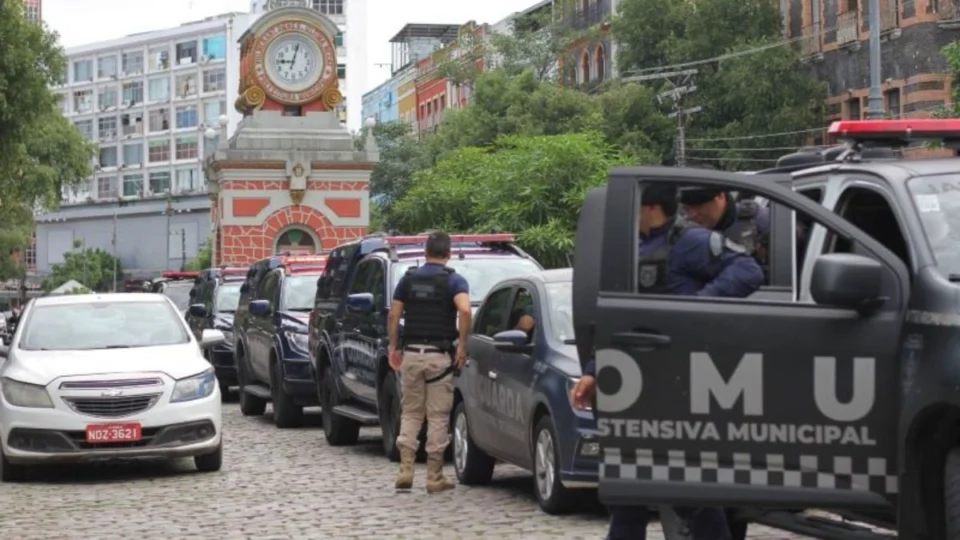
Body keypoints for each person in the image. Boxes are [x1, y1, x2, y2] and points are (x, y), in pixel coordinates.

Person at [570, 184, 763, 540]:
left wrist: (692, 309)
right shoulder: (636, 248)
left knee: (690, 488)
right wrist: (593, 372)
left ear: (650, 207)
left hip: (679, 385)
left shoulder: (689, 241)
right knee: (627, 488)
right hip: (638, 386)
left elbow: (748, 271)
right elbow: (622, 319)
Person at [387, 231, 472, 493]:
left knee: (411, 412)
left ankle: (406, 469)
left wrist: (393, 347)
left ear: (425, 253)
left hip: (411, 354)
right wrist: (462, 345)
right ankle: (434, 476)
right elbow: (465, 309)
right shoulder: (454, 281)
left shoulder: (408, 279)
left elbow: (394, 315)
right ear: (449, 254)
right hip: (439, 357)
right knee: (437, 416)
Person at [679, 186, 771, 275]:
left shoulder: (763, 223)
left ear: (720, 197)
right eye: (687, 208)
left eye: (698, 206)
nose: (692, 214)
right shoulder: (685, 231)